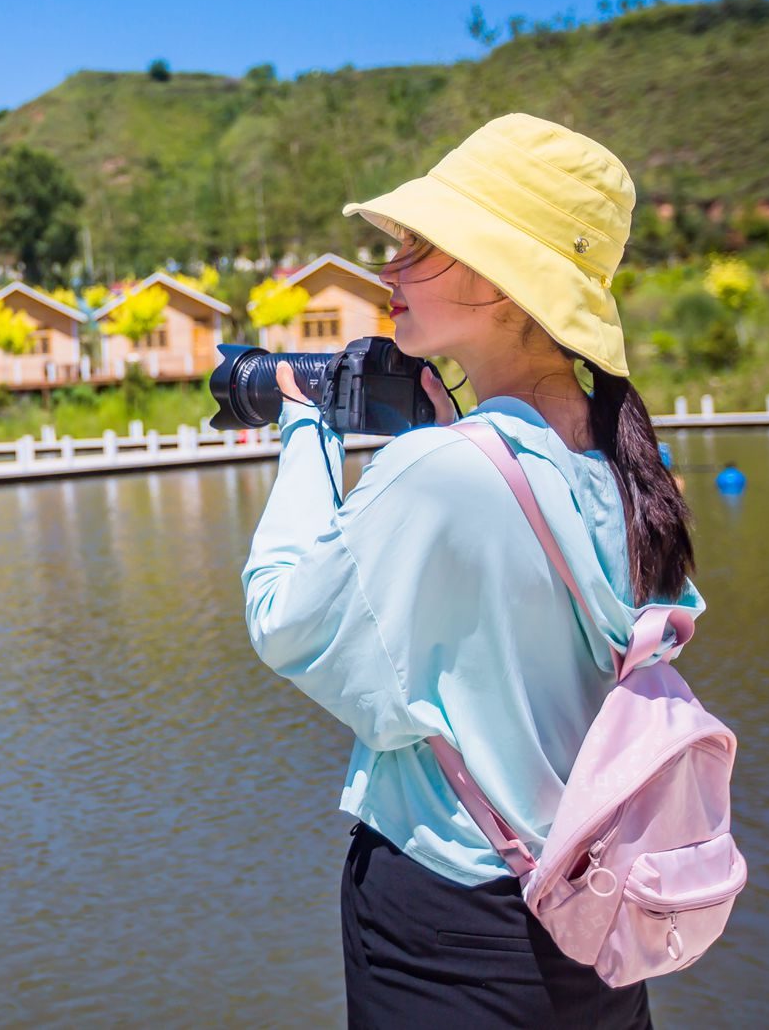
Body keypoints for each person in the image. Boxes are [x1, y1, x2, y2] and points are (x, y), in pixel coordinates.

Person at [240, 114, 702, 1028]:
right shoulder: (623, 459)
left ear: (496, 272)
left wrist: (303, 429)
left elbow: (284, 615)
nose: (390, 268)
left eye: (419, 244)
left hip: (451, 926)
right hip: (592, 909)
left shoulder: (444, 469)